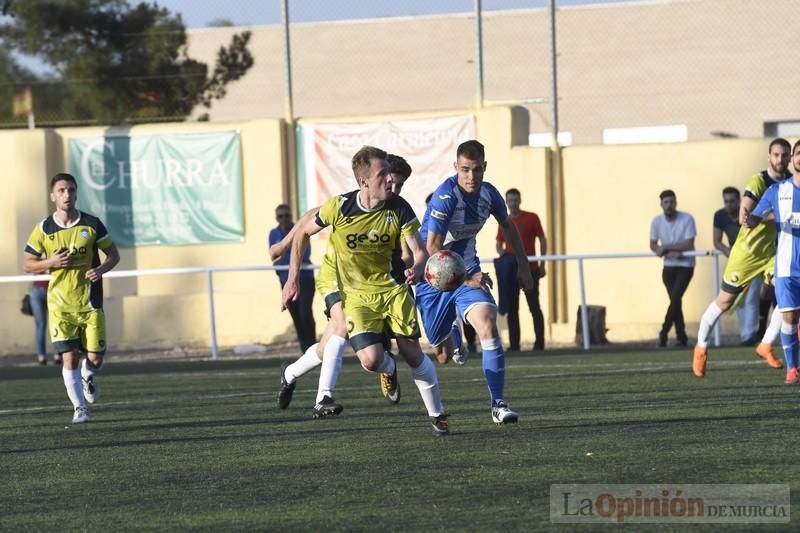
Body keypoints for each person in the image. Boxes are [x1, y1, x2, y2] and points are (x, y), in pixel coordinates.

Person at [281, 146, 449, 436]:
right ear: (364, 182)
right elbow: (303, 230)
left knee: (411, 352)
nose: (390, 182)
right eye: (383, 175)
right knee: (370, 359)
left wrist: (419, 267)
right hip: (355, 293)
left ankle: (437, 415)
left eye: (391, 176)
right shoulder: (340, 207)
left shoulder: (399, 207)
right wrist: (292, 277)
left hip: (393, 289)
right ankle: (378, 372)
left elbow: (419, 252)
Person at [272, 153, 413, 418]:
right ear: (371, 180)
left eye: (401, 185)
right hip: (335, 275)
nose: (395, 188)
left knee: (328, 347)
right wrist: (284, 247)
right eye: (391, 180)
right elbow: (309, 219)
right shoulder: (351, 203)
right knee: (341, 325)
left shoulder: (396, 210)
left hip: (369, 283)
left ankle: (290, 373)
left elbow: (407, 252)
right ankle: (323, 397)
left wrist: (409, 266)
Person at [415, 140, 534, 424]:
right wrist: (465, 279)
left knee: (488, 324)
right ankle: (454, 331)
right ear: (456, 168)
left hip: (468, 268)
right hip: (432, 278)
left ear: (484, 168)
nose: (471, 176)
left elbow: (507, 226)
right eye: (465, 170)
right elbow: (433, 248)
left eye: (477, 169)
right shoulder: (445, 197)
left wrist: (524, 265)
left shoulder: (490, 194)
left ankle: (498, 404)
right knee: (442, 355)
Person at [22, 172, 120, 424]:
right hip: (59, 305)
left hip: (89, 302)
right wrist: (51, 262)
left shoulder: (92, 224)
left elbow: (113, 255)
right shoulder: (44, 228)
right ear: (53, 195)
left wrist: (100, 269)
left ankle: (88, 374)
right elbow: (28, 264)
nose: (67, 195)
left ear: (76, 193)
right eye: (62, 190)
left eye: (71, 190)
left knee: (96, 358)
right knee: (69, 356)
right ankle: (80, 409)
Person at [691, 138, 792, 377]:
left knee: (788, 295)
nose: (781, 159)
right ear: (769, 156)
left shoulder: (790, 183)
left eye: (785, 155)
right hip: (746, 254)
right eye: (776, 155)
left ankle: (766, 344)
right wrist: (778, 215)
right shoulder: (758, 181)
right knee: (724, 303)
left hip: (771, 254)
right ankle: (701, 347)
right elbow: (743, 216)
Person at [747, 139, 800, 384]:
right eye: (798, 154)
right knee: (789, 318)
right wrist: (751, 219)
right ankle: (792, 369)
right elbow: (755, 216)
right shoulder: (777, 191)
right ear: (794, 158)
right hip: (786, 267)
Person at [495, 188, 547, 351]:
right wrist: (502, 254)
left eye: (515, 200)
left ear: (520, 200)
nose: (513, 203)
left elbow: (542, 239)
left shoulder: (531, 218)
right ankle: (514, 344)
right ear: (506, 202)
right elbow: (498, 243)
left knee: (534, 306)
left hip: (530, 269)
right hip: (511, 272)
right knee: (512, 308)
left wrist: (542, 264)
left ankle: (539, 343)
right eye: (510, 200)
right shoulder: (505, 220)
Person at [713, 187, 762, 345]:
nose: (729, 205)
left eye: (732, 201)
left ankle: (749, 335)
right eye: (726, 201)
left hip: (753, 258)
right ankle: (745, 334)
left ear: (739, 201)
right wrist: (728, 250)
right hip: (736, 261)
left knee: (752, 298)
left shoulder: (748, 212)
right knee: (737, 299)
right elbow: (717, 241)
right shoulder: (720, 216)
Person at [649, 189, 696, 348]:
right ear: (661, 204)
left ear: (676, 203)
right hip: (668, 267)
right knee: (676, 302)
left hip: (685, 266)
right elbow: (653, 245)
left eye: (671, 202)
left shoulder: (687, 218)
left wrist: (667, 248)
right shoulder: (656, 221)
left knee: (675, 299)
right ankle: (681, 337)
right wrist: (661, 250)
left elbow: (689, 244)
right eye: (666, 202)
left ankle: (663, 334)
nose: (669, 205)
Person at [269, 205, 316, 352]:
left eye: (287, 216)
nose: (284, 219)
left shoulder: (301, 228)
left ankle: (312, 348)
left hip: (305, 278)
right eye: (280, 216)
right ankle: (305, 349)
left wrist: (287, 248)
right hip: (285, 280)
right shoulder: (273, 233)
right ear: (277, 218)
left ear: (291, 216)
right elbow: (274, 256)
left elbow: (305, 253)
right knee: (296, 316)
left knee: (305, 313)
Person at [29, 277, 60, 365]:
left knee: (56, 323)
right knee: (41, 325)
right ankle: (41, 356)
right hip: (37, 291)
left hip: (55, 289)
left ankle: (58, 354)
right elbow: (29, 267)